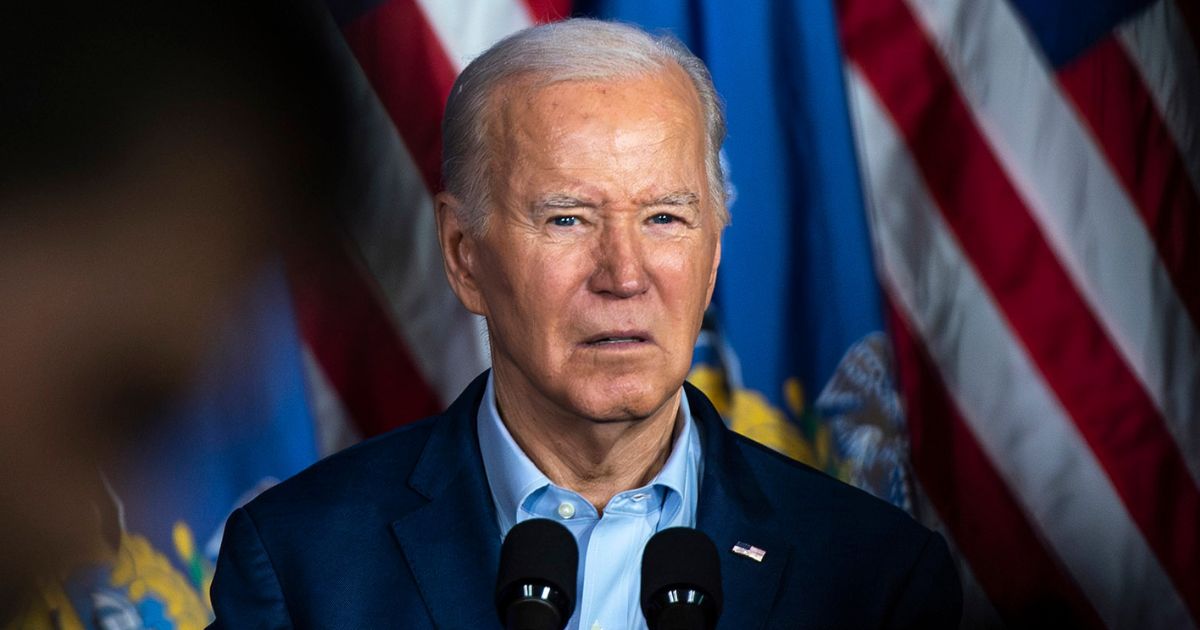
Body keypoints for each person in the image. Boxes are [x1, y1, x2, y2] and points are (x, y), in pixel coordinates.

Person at [209, 18, 961, 629]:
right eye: (567, 218)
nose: (625, 275)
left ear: (713, 255)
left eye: (665, 217)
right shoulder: (299, 567)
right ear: (464, 255)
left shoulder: (876, 578)